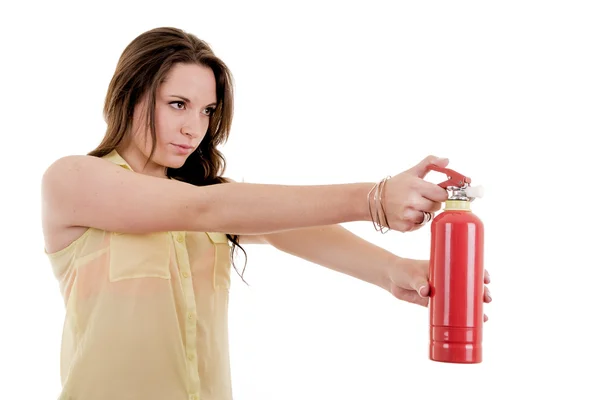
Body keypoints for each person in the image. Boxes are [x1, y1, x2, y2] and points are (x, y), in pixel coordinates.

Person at [41, 27, 492, 400]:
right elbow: (203, 209)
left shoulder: (214, 200)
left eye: (207, 111)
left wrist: (395, 269)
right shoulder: (74, 180)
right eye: (177, 104)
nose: (193, 128)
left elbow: (288, 229)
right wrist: (373, 198)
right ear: (130, 95)